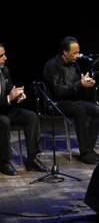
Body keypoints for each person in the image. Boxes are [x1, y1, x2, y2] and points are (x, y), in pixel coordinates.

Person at [43, 36, 99, 164]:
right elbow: (59, 92)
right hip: (56, 103)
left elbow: (77, 86)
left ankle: (89, 149)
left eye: (78, 52)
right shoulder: (52, 66)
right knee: (79, 110)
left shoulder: (75, 64)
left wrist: (86, 83)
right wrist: (79, 85)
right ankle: (85, 153)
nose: (78, 55)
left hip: (73, 101)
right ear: (65, 52)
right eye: (74, 53)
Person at [0, 43, 48, 175]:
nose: (5, 58)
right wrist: (9, 98)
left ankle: (32, 159)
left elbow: (10, 87)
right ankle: (4, 162)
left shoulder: (3, 70)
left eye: (4, 54)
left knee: (31, 117)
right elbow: (7, 97)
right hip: (2, 112)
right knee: (4, 122)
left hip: (4, 108)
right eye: (1, 55)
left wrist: (18, 95)